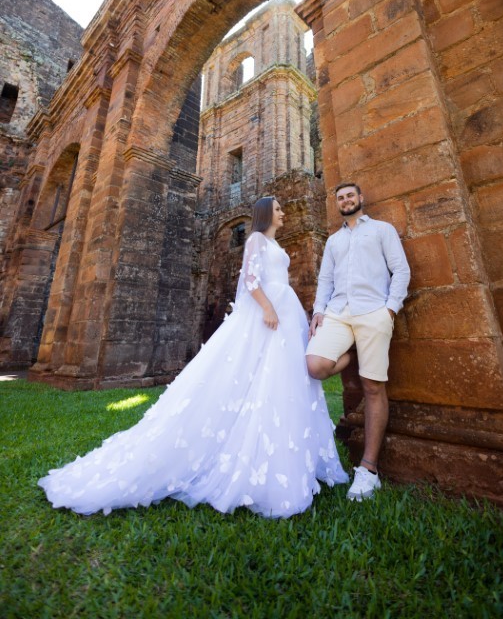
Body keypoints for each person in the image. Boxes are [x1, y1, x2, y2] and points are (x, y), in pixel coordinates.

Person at [39, 197, 348, 518]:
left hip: (287, 310)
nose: (283, 213)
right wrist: (268, 308)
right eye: (278, 209)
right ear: (266, 213)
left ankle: (285, 457)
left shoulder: (274, 243)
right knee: (259, 374)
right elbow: (250, 280)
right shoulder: (256, 239)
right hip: (269, 311)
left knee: (283, 379)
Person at [306, 183, 410, 502]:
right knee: (315, 365)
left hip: (373, 311)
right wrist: (319, 310)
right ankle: (352, 352)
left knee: (372, 386)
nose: (346, 200)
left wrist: (389, 310)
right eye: (340, 198)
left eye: (350, 195)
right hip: (338, 312)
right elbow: (325, 279)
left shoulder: (381, 230)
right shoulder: (333, 241)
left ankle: (368, 470)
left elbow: (401, 270)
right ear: (337, 204)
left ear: (361, 199)